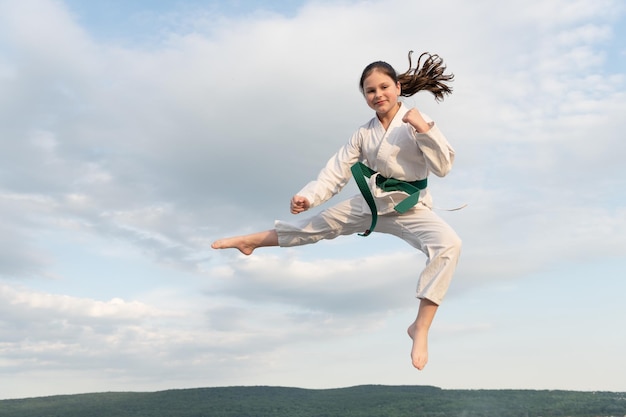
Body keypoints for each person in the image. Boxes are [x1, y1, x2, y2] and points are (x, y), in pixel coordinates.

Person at [212, 51, 462, 371]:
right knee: (315, 226)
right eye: (370, 91)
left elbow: (443, 167)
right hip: (372, 202)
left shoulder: (416, 121)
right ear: (365, 96)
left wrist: (424, 131)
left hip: (410, 206)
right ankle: (250, 241)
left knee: (450, 245)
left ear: (398, 87)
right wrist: (308, 196)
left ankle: (420, 327)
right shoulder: (363, 133)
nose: (378, 95)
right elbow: (335, 171)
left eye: (384, 87)